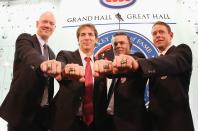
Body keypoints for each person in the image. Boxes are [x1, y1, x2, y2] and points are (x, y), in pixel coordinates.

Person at [111, 21, 195, 131]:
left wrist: (137, 63)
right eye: (154, 33)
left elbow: (171, 62)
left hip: (176, 123)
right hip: (155, 124)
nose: (158, 35)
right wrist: (108, 69)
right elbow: (130, 71)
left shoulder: (181, 51)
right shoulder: (154, 62)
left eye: (161, 32)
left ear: (171, 35)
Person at [0, 11, 61, 131]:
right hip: (21, 112)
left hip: (42, 116)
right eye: (44, 21)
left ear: (54, 28)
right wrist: (42, 63)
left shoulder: (52, 54)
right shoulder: (25, 40)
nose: (47, 25)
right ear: (37, 23)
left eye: (51, 23)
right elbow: (29, 55)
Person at [50, 23, 107, 131]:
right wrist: (66, 70)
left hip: (94, 124)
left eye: (90, 34)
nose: (86, 37)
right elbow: (61, 68)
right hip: (67, 121)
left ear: (96, 40)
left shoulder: (100, 64)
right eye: (83, 34)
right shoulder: (65, 55)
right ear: (78, 39)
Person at [94, 32, 150, 131]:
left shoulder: (137, 59)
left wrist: (129, 61)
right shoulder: (114, 66)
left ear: (131, 45)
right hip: (109, 122)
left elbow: (136, 60)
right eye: (115, 44)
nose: (118, 46)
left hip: (130, 123)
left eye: (122, 43)